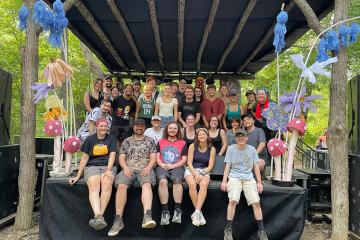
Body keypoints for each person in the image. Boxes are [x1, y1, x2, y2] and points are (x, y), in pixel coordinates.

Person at [108, 119, 157, 236]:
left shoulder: (150, 141)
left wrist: (149, 168)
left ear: (145, 128)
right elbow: (121, 158)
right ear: (133, 127)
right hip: (128, 169)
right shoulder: (126, 141)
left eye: (141, 126)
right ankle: (118, 220)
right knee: (121, 186)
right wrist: (125, 168)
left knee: (147, 184)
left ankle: (147, 216)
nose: (139, 128)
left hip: (145, 169)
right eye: (136, 126)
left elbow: (153, 157)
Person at [69, 118, 117, 230]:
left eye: (105, 126)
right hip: (92, 166)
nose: (103, 128)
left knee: (107, 183)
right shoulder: (90, 139)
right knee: (94, 186)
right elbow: (85, 158)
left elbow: (112, 156)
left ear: (108, 127)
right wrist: (78, 175)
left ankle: (99, 216)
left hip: (107, 166)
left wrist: (109, 170)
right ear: (96, 126)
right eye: (101, 126)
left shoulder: (111, 138)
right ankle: (98, 216)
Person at [221, 128, 268, 240]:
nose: (241, 138)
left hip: (248, 178)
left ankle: (261, 230)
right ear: (235, 138)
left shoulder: (252, 149)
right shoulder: (231, 149)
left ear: (247, 137)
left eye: (243, 136)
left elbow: (256, 166)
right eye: (238, 136)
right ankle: (228, 229)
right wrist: (224, 181)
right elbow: (227, 166)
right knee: (233, 200)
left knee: (256, 202)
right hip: (234, 177)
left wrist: (259, 182)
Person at [156, 121, 187, 225]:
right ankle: (165, 211)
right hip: (162, 166)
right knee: (162, 181)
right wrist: (162, 164)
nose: (172, 130)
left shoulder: (182, 143)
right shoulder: (161, 141)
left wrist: (173, 165)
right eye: (170, 128)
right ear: (167, 129)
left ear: (178, 130)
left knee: (177, 181)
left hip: (177, 166)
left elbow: (184, 160)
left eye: (175, 128)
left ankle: (178, 211)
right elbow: (157, 157)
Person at [185, 128, 216, 226]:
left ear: (207, 136)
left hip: (204, 170)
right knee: (192, 184)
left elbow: (210, 166)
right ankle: (199, 213)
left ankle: (197, 212)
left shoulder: (212, 149)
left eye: (203, 134)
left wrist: (202, 174)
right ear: (197, 137)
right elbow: (189, 163)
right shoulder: (192, 146)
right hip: (191, 169)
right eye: (199, 135)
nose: (202, 136)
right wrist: (195, 174)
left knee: (204, 184)